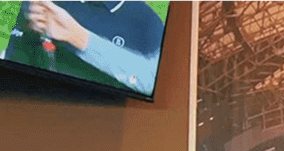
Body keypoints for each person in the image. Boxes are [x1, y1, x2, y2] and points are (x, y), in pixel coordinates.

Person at [5, 0, 164, 96]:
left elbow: (150, 81)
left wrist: (79, 38)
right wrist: (29, 26)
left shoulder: (146, 22)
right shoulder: (46, 4)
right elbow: (16, 54)